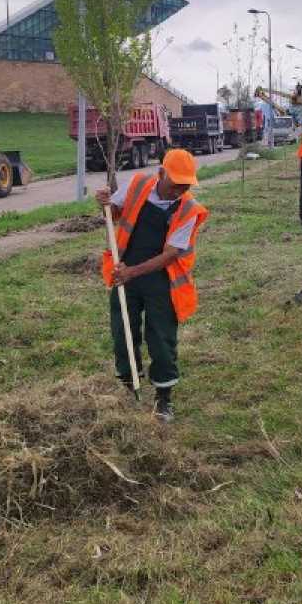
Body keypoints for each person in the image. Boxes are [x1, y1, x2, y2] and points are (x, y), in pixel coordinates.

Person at [96, 148, 209, 422]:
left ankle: (163, 398)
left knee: (161, 338)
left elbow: (170, 254)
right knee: (123, 331)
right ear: (161, 174)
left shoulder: (189, 209)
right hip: (126, 273)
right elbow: (113, 212)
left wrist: (132, 272)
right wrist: (102, 203)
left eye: (185, 186)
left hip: (161, 280)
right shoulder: (137, 185)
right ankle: (128, 386)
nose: (178, 191)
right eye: (175, 185)